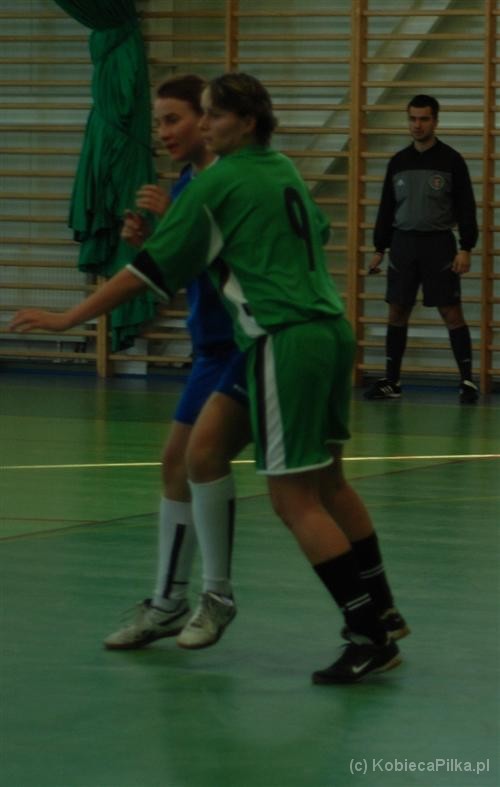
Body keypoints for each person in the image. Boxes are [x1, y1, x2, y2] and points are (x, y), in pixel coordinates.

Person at [10, 72, 408, 684]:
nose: (203, 124)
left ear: (243, 122)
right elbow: (315, 231)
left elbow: (145, 273)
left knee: (293, 499)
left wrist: (69, 316)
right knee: (316, 478)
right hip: (329, 331)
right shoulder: (280, 167)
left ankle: (367, 634)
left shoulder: (216, 182)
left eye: (211, 115)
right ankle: (380, 610)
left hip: (281, 338)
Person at [103, 74, 252, 651]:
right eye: (159, 122)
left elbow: (239, 269)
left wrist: (173, 225)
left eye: (174, 119)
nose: (164, 132)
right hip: (210, 349)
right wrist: (154, 243)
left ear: (205, 120)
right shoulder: (187, 183)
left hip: (245, 345)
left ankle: (218, 595)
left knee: (219, 462)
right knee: (175, 463)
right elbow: (186, 273)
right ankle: (168, 603)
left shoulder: (225, 182)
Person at [364, 94, 479, 404]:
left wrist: (466, 247)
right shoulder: (398, 162)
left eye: (424, 119)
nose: (417, 125)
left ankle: (467, 381)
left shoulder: (452, 160)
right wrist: (379, 248)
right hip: (403, 244)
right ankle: (392, 381)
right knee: (397, 310)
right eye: (413, 119)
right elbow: (387, 208)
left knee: (451, 312)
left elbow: (466, 207)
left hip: (439, 244)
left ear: (435, 121)